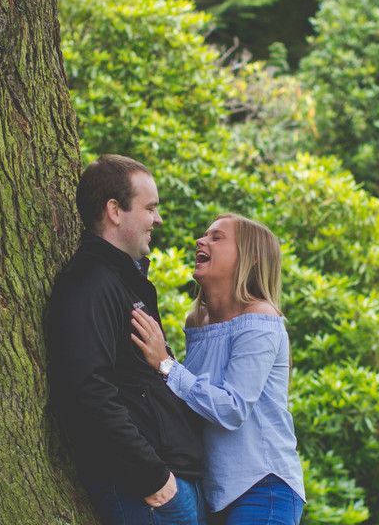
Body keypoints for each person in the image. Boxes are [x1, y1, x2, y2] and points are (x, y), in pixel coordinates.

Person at [48, 154, 208, 525]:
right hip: (145, 490)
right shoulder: (89, 284)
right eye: (150, 208)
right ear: (115, 211)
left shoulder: (123, 281)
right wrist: (154, 478)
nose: (158, 219)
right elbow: (89, 390)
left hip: (168, 485)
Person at [131, 213, 306, 525]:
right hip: (213, 492)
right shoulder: (197, 321)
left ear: (251, 259)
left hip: (263, 488)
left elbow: (232, 409)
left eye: (216, 237)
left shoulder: (260, 318)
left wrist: (167, 365)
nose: (201, 241)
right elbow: (193, 402)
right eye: (205, 235)